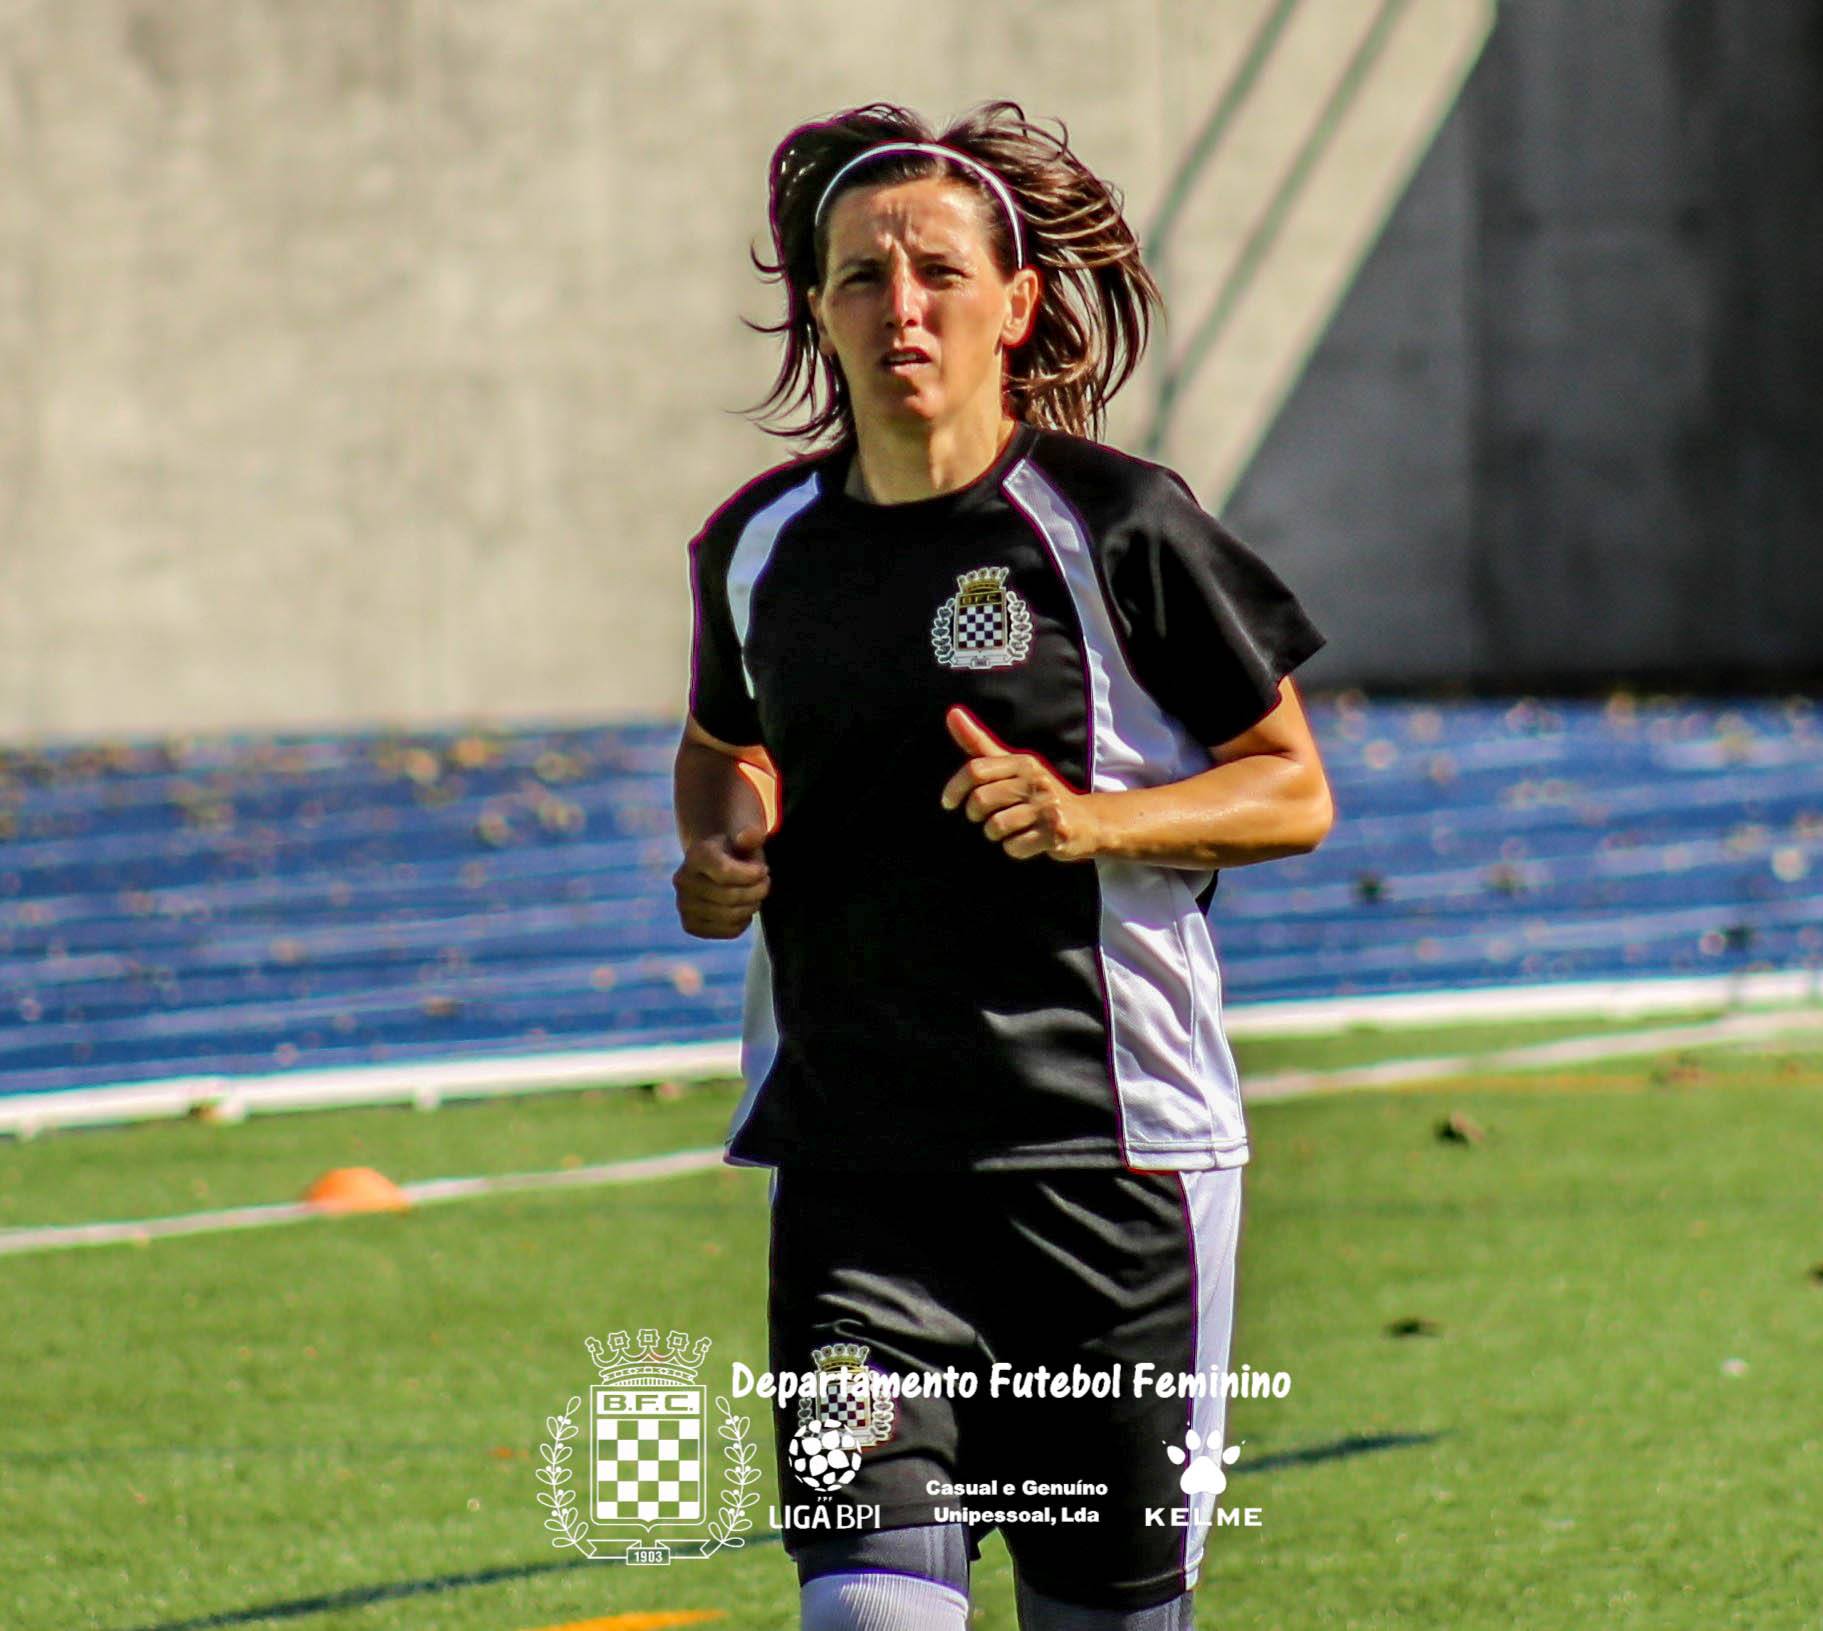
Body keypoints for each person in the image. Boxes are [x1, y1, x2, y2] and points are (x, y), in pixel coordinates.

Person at [672, 99, 1334, 1631]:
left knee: (1102, 1618)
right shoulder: (759, 546)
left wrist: (1098, 820)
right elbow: (726, 742)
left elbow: (1291, 789)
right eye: (858, 277)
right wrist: (719, 841)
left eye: (938, 273)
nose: (900, 308)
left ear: (1016, 301)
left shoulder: (1121, 527)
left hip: (1112, 1171)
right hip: (859, 1182)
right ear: (818, 312)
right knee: (866, 1614)